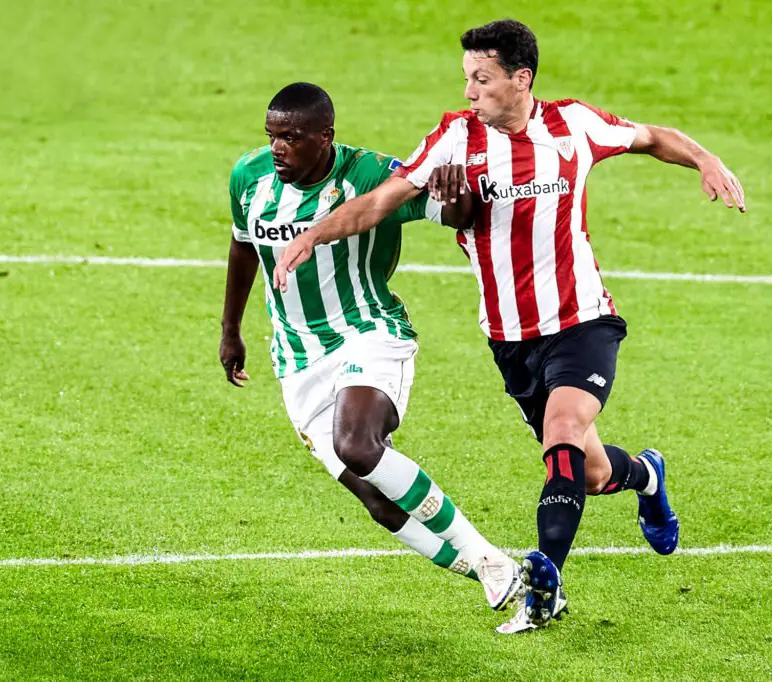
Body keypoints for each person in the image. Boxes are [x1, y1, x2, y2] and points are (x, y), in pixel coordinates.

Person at [272, 21, 745, 633]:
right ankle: (647, 475)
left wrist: (704, 158)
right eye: (467, 78)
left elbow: (652, 137)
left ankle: (546, 581)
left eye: (482, 78)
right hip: (511, 341)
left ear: (521, 79)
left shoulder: (573, 125)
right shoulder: (454, 137)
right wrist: (314, 233)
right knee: (590, 472)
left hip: (582, 321)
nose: (470, 91)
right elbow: (382, 200)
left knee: (563, 431)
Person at [220, 82, 523, 611]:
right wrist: (230, 328)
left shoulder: (370, 174)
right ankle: (499, 573)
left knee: (358, 446)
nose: (277, 149)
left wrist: (455, 193)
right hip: (297, 356)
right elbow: (243, 245)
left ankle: (487, 557)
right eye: (271, 136)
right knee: (379, 502)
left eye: (290, 138)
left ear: (325, 136)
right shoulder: (250, 176)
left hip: (367, 332)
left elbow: (455, 215)